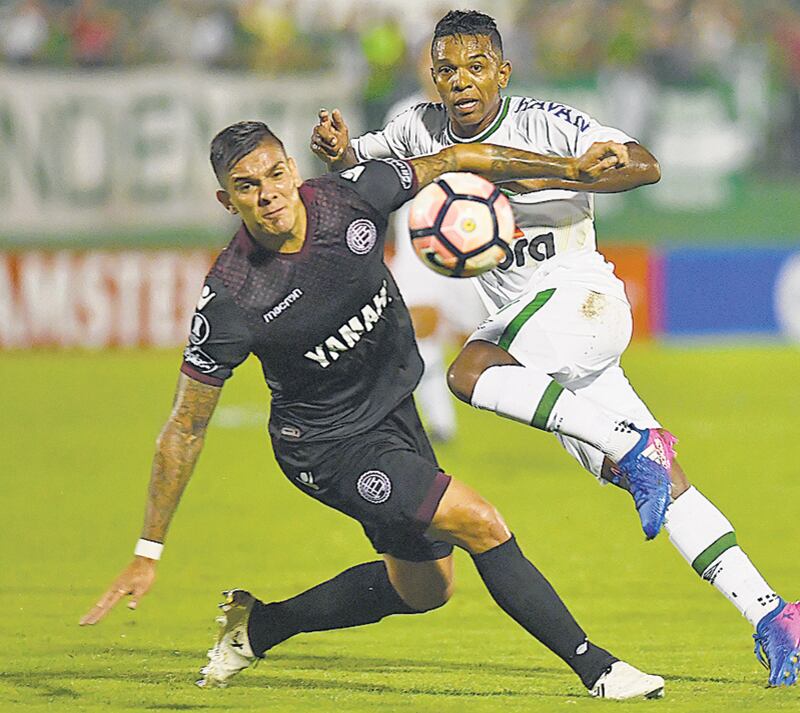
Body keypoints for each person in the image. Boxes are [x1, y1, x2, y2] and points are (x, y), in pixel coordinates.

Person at [310, 9, 800, 687]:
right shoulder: (417, 128)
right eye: (447, 69)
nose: (461, 81)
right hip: (538, 333)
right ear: (432, 76)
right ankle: (771, 610)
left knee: (468, 370)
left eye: (476, 66)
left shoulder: (549, 122)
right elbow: (362, 162)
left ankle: (637, 448)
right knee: (658, 485)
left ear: (503, 70)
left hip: (581, 303)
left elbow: (645, 165)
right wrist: (340, 149)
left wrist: (565, 175)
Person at [79, 120, 666, 701]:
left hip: (395, 416)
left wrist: (567, 172)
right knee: (481, 522)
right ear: (226, 199)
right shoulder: (233, 298)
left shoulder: (350, 198)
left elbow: (458, 157)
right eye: (247, 185)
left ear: (293, 169)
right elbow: (185, 427)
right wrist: (146, 551)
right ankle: (599, 669)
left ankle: (260, 626)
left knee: (425, 590)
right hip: (330, 447)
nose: (269, 194)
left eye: (276, 173)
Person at [386, 43, 487, 442]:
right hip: (420, 235)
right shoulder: (404, 115)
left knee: (472, 337)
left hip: (468, 235)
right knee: (417, 324)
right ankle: (440, 422)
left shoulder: (475, 114)